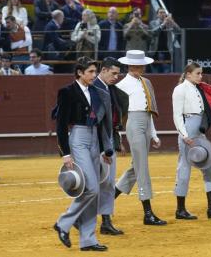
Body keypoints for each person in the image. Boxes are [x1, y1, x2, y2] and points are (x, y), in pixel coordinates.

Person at [53, 56, 114, 252]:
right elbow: (61, 124)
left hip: (94, 139)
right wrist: (65, 153)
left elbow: (103, 123)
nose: (94, 76)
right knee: (92, 188)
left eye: (95, 72)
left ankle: (88, 239)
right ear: (79, 72)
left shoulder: (96, 91)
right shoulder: (67, 92)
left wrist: (106, 147)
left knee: (94, 193)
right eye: (90, 72)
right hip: (78, 138)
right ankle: (64, 222)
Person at [113, 50, 166, 226]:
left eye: (141, 65)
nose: (139, 68)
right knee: (142, 166)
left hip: (144, 123)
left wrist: (154, 134)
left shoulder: (147, 83)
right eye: (135, 65)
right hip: (133, 124)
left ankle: (109, 197)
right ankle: (148, 212)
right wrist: (118, 137)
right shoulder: (121, 85)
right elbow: (117, 115)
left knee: (136, 166)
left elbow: (149, 112)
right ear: (129, 66)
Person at [171, 62, 211, 220]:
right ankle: (180, 209)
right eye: (198, 73)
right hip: (188, 130)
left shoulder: (199, 88)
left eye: (201, 73)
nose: (201, 76)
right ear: (188, 74)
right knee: (184, 167)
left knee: (209, 165)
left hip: (199, 131)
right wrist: (184, 135)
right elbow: (177, 115)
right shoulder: (180, 89)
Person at [92, 57, 125, 235]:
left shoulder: (108, 88)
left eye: (118, 74)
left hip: (109, 140)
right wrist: (104, 147)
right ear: (103, 70)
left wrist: (116, 141)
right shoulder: (94, 87)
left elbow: (112, 121)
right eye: (113, 73)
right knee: (93, 183)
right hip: (96, 142)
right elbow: (96, 121)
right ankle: (79, 218)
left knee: (108, 182)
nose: (116, 77)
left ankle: (105, 221)